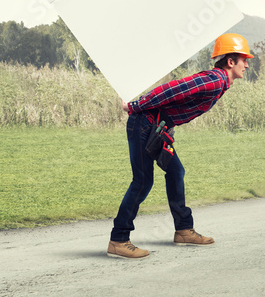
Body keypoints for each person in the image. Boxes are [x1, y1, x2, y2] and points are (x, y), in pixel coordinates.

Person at [106, 32, 253, 259]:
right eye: (244, 60)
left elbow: (178, 103)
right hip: (143, 123)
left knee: (176, 171)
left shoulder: (221, 82)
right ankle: (119, 239)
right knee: (143, 181)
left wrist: (168, 127)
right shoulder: (215, 80)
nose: (247, 65)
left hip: (156, 127)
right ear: (231, 61)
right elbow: (172, 90)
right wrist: (135, 106)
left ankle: (184, 230)